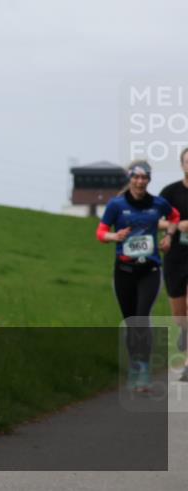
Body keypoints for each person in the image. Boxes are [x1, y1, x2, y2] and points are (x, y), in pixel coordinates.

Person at [97, 160, 181, 391]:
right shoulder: (116, 205)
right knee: (131, 321)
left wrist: (168, 237)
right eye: (136, 177)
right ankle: (135, 365)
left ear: (149, 180)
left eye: (145, 178)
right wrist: (115, 237)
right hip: (124, 271)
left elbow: (174, 217)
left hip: (150, 270)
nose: (140, 182)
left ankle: (143, 369)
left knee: (142, 318)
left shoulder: (158, 203)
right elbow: (101, 232)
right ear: (130, 178)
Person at [160, 148, 188, 381]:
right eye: (187, 162)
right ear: (181, 165)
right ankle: (184, 331)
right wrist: (177, 226)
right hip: (175, 258)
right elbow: (156, 220)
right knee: (180, 314)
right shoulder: (170, 192)